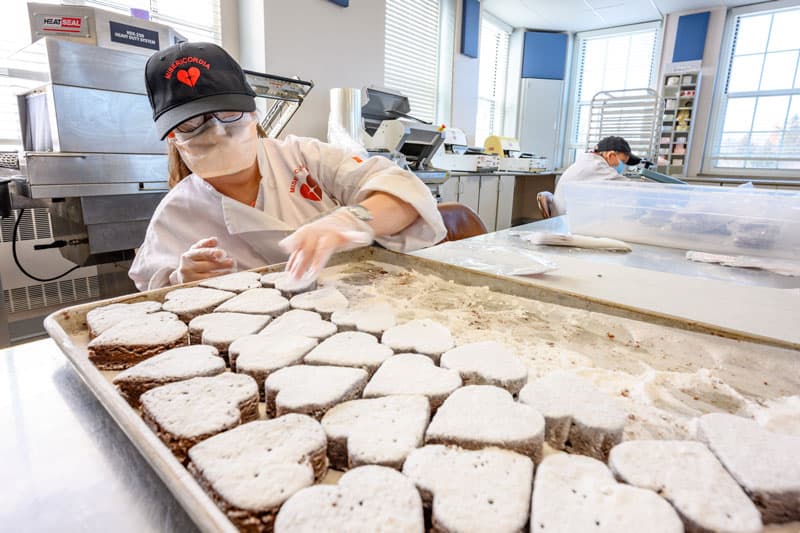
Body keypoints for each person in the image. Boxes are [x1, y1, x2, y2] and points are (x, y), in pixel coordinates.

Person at [129, 42, 446, 291]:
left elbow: (405, 194)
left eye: (228, 114)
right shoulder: (176, 213)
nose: (215, 131)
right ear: (172, 137)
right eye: (191, 124)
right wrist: (182, 279)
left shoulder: (303, 157)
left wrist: (351, 218)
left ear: (253, 113)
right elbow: (154, 290)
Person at [551, 136, 642, 216]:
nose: (623, 167)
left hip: (568, 216)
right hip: (565, 223)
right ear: (610, 155)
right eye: (623, 162)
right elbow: (631, 189)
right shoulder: (597, 166)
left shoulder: (588, 162)